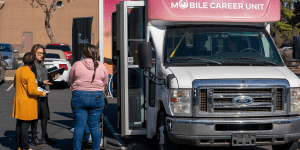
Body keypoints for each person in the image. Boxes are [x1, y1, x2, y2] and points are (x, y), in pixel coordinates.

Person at [69, 45, 108, 150]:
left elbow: (70, 79)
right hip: (97, 97)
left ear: (84, 54)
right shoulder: (101, 66)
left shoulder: (77, 65)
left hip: (79, 96)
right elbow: (106, 82)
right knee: (94, 125)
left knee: (79, 126)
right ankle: (96, 148)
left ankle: (77, 148)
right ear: (96, 54)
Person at [12, 52, 47, 150]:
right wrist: (42, 93)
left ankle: (20, 146)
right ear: (33, 62)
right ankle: (25, 147)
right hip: (27, 102)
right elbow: (32, 91)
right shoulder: (30, 74)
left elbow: (15, 85)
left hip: (18, 100)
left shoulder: (18, 70)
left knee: (19, 124)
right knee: (25, 125)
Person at [30, 44, 59, 145]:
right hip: (35, 94)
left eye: (43, 53)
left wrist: (53, 78)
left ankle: (44, 136)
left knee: (45, 116)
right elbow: (31, 82)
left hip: (43, 94)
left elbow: (45, 79)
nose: (41, 55)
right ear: (34, 53)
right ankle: (34, 138)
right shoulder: (32, 65)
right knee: (35, 117)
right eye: (39, 53)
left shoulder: (42, 64)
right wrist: (42, 83)